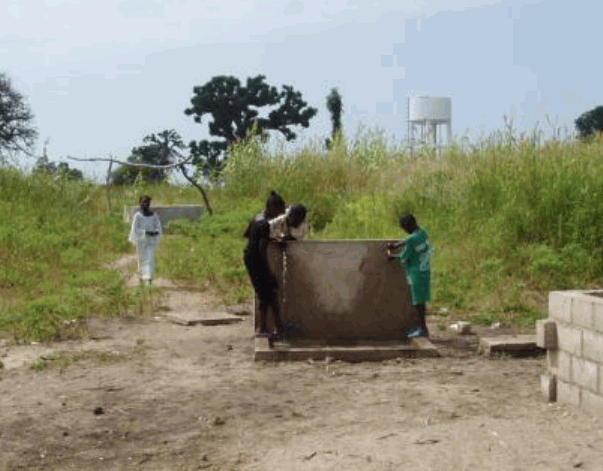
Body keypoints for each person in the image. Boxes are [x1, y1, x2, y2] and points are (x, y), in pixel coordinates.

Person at [243, 191, 287, 339]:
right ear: (272, 208)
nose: (279, 215)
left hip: (249, 257)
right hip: (257, 260)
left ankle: (277, 327)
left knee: (269, 294)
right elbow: (262, 250)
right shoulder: (264, 225)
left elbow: (247, 235)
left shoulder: (257, 218)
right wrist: (269, 272)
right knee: (265, 294)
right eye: (279, 211)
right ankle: (262, 329)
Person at [387, 211, 431, 338]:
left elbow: (404, 257)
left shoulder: (411, 239)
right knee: (422, 300)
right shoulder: (423, 233)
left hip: (415, 272)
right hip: (425, 270)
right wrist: (397, 244)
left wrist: (392, 255)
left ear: (407, 227)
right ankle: (422, 327)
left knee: (418, 302)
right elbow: (410, 240)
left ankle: (422, 329)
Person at [128, 195, 162, 284]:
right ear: (140, 204)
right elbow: (134, 229)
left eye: (147, 202)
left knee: (150, 258)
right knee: (141, 259)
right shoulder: (137, 216)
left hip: (151, 241)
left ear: (149, 204)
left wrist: (154, 232)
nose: (145, 204)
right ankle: (141, 276)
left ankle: (149, 277)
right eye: (143, 202)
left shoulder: (154, 216)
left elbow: (158, 227)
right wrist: (145, 232)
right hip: (141, 241)